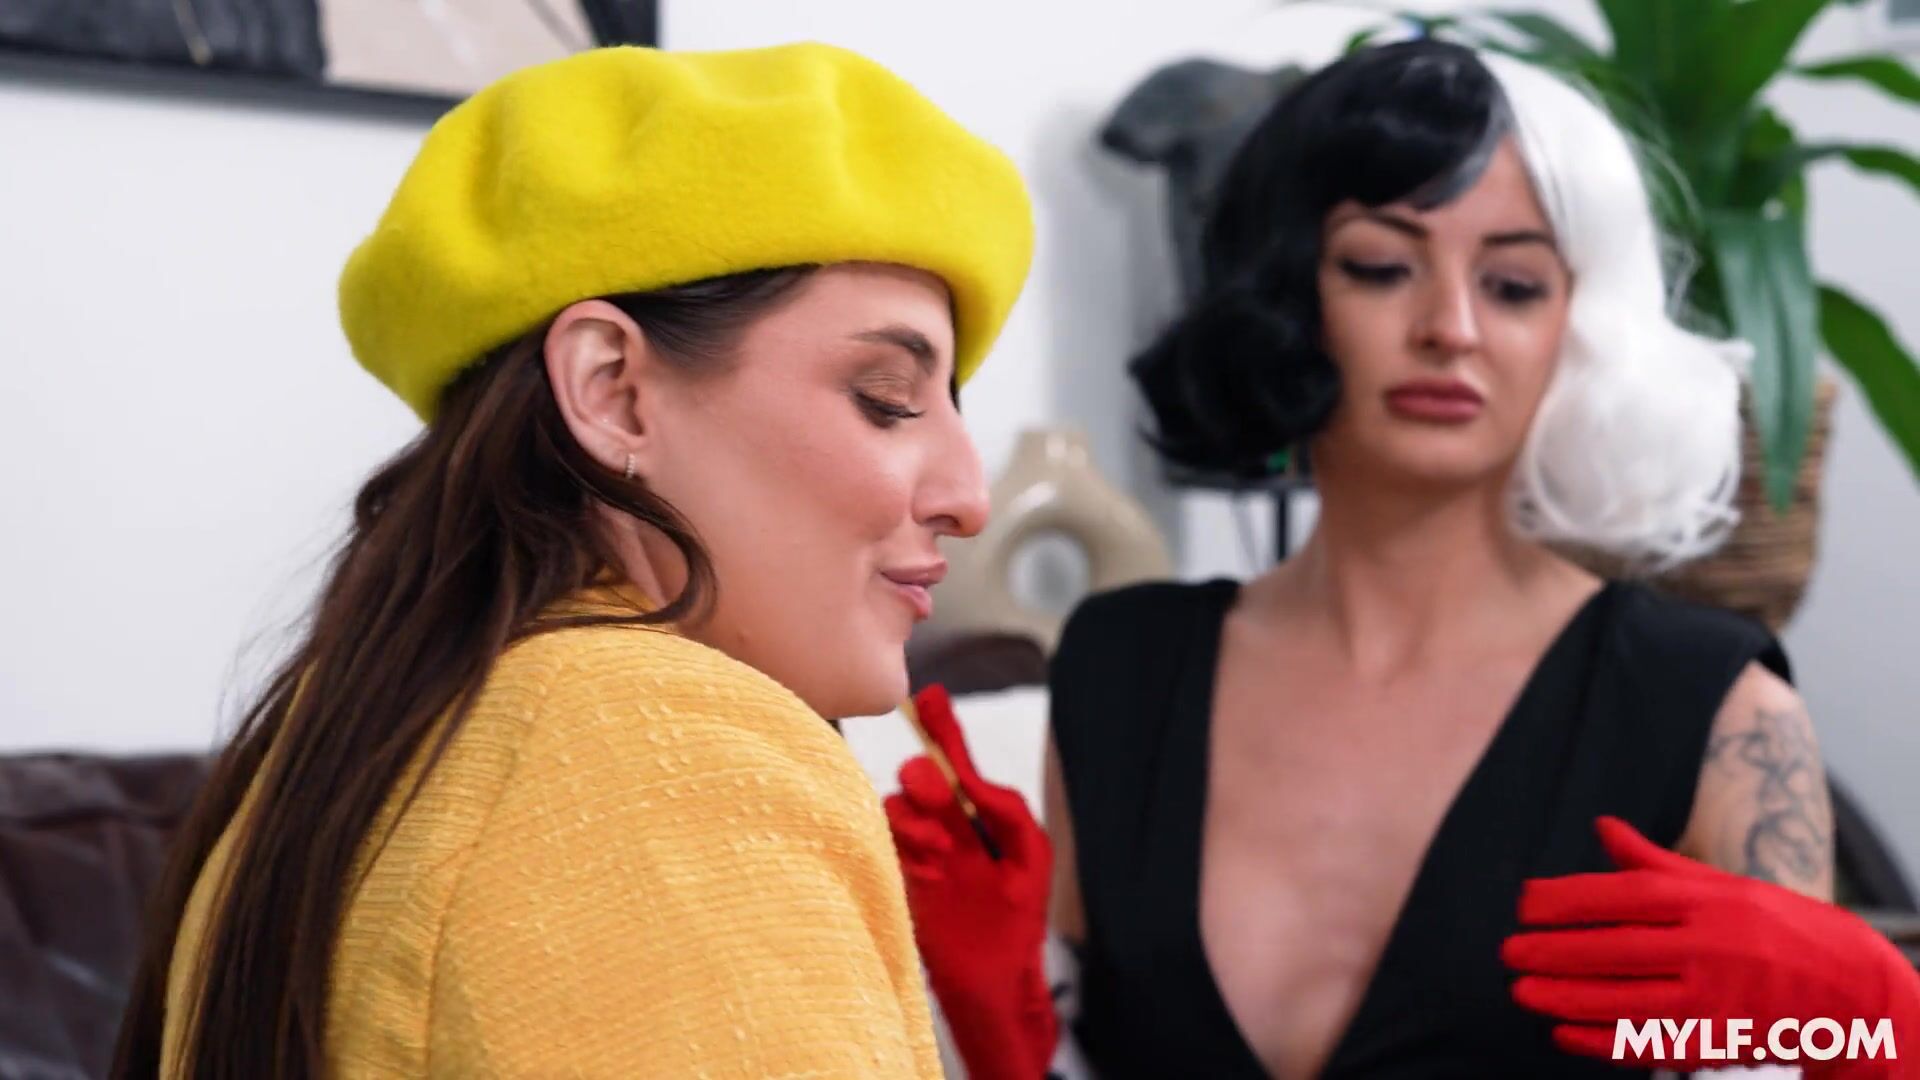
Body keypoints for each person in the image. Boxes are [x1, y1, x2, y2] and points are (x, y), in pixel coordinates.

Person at [885, 39, 1873, 1078]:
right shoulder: (1122, 670)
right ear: (1286, 293)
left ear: (1581, 329)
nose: (1451, 327)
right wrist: (1000, 1026)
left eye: (1514, 284)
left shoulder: (1718, 711)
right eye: (1382, 267)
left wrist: (1874, 1031)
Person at [109, 41, 1033, 1079]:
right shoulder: (663, 758)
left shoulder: (352, 742)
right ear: (612, 391)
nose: (969, 496)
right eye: (888, 399)